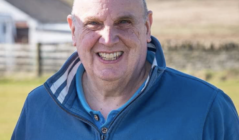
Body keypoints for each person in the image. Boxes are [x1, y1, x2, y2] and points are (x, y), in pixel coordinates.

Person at [12, 0, 239, 139]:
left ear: (147, 26)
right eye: (94, 23)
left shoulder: (207, 108)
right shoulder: (38, 107)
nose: (108, 39)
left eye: (124, 22)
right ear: (73, 31)